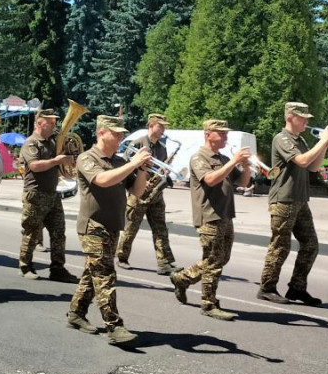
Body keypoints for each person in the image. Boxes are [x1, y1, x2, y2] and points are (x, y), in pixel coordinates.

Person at [66, 115, 152, 345]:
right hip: (93, 226)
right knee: (105, 275)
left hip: (112, 226)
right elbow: (102, 180)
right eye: (116, 133)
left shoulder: (118, 161)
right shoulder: (87, 158)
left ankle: (76, 313)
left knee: (92, 273)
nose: (121, 137)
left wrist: (142, 170)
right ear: (101, 132)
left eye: (122, 133)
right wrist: (133, 164)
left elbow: (137, 192)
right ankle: (114, 326)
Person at [170, 120, 251, 320]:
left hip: (225, 214)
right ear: (208, 134)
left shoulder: (223, 158)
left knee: (221, 258)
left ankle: (182, 279)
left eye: (226, 134)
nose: (225, 137)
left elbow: (242, 182)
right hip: (209, 215)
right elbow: (210, 180)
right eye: (221, 134)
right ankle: (208, 303)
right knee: (213, 260)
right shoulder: (199, 158)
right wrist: (234, 161)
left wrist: (245, 166)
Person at [257, 102, 328, 306]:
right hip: (283, 200)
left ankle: (297, 288)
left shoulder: (300, 140)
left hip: (300, 200)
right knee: (280, 247)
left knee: (311, 245)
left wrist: (325, 146)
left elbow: (312, 167)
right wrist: (322, 141)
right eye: (303, 119)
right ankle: (267, 288)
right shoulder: (281, 138)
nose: (306, 122)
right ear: (291, 117)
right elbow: (301, 161)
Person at [17, 108, 79, 283]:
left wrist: (69, 158)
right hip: (35, 193)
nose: (54, 126)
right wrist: (56, 160)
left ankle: (57, 268)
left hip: (52, 193)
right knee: (32, 231)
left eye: (54, 122)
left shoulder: (53, 142)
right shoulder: (31, 143)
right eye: (50, 123)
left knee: (59, 231)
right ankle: (25, 265)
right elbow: (35, 166)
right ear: (39, 123)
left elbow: (62, 167)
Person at [115, 113, 178, 275]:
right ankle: (122, 257)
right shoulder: (138, 143)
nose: (164, 129)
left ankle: (164, 262)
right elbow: (127, 167)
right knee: (131, 227)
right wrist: (140, 179)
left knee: (160, 228)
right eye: (161, 126)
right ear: (151, 125)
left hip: (156, 194)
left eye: (164, 126)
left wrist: (163, 175)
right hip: (139, 192)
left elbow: (160, 168)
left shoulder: (162, 147)